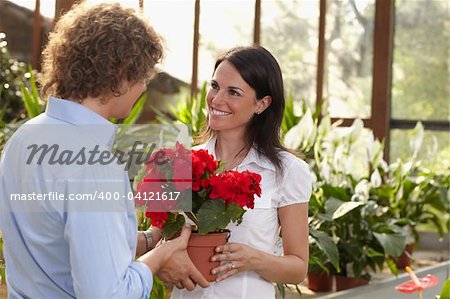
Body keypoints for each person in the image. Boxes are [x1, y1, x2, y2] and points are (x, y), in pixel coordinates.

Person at [0, 3, 208, 298]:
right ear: (122, 72)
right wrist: (158, 260)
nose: (145, 88)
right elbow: (108, 293)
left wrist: (150, 240)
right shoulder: (92, 163)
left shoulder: (23, 138)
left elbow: (57, 242)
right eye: (144, 76)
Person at [171, 46, 312, 299]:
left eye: (233, 92)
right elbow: (160, 237)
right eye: (214, 86)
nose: (216, 100)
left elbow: (298, 268)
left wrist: (254, 259)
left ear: (262, 103)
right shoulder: (182, 160)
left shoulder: (288, 171)